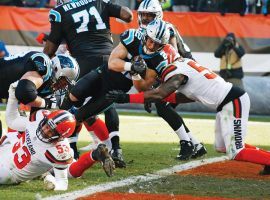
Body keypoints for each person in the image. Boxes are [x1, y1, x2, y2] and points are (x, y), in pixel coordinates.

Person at [106, 55, 270, 175]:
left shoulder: (175, 72)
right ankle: (267, 158)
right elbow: (183, 96)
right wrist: (152, 96)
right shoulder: (183, 65)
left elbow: (160, 93)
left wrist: (126, 98)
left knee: (236, 151)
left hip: (233, 101)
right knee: (222, 147)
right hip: (226, 102)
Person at [60, 19, 177, 166]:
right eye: (150, 41)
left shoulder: (159, 60)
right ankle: (51, 127)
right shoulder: (132, 38)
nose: (152, 46)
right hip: (102, 74)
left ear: (163, 45)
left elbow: (142, 87)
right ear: (145, 36)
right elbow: (112, 62)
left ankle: (70, 149)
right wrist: (131, 66)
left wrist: (135, 73)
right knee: (73, 94)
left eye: (157, 44)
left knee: (79, 116)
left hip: (114, 90)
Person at [43, 0, 133, 164]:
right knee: (108, 101)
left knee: (73, 102)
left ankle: (71, 148)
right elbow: (128, 15)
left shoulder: (60, 11)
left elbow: (49, 50)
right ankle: (116, 149)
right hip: (110, 60)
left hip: (83, 62)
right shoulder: (98, 2)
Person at [0, 83, 114, 190]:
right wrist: (12, 95)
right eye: (47, 126)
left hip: (9, 171)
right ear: (46, 119)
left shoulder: (58, 151)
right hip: (12, 148)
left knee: (69, 171)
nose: (45, 131)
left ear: (60, 137)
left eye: (50, 132)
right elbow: (13, 121)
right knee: (14, 134)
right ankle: (93, 155)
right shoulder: (39, 118)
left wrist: (54, 184)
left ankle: (94, 155)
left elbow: (63, 184)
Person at [136, 0, 206, 160]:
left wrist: (153, 91)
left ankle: (187, 144)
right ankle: (195, 144)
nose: (145, 18)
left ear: (158, 15)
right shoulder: (150, 31)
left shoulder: (164, 28)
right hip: (175, 71)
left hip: (183, 70)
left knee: (162, 106)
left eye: (150, 15)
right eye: (143, 14)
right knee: (164, 107)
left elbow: (172, 57)